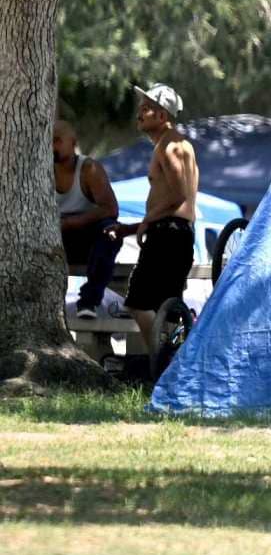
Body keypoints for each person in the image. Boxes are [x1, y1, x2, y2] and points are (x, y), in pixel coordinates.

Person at [105, 84, 199, 355]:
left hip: (169, 234)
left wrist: (146, 223)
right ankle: (169, 363)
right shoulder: (170, 144)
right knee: (163, 307)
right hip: (170, 230)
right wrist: (129, 229)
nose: (139, 114)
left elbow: (178, 195)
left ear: (162, 115)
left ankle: (160, 364)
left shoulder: (172, 146)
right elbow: (167, 200)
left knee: (137, 302)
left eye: (146, 109)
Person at [53, 119, 121, 319]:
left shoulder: (89, 170)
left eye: (57, 141)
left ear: (72, 143)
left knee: (111, 231)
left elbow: (111, 208)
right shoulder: (41, 171)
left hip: (88, 240)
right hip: (57, 239)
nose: (52, 146)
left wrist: (71, 222)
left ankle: (88, 302)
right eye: (49, 141)